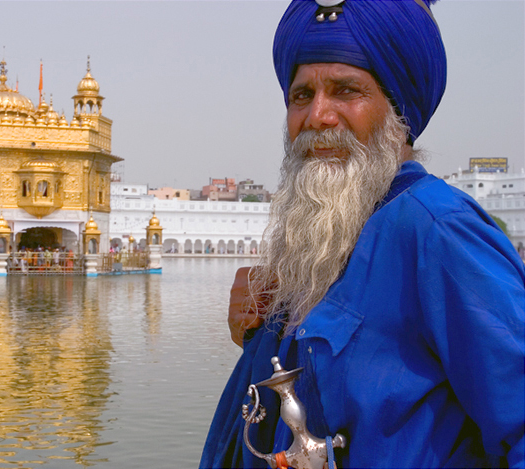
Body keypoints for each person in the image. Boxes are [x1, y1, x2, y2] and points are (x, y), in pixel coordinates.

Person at [201, 1, 524, 468]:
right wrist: (266, 331)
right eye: (301, 95)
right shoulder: (324, 238)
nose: (318, 116)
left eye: (345, 91)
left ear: (397, 114)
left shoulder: (439, 230)